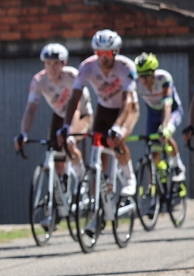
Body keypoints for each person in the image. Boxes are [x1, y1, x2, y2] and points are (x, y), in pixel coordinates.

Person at [58, 29, 139, 233]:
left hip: (126, 109)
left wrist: (119, 127)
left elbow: (128, 100)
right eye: (99, 53)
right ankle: (97, 210)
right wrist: (67, 127)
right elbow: (74, 98)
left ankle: (129, 178)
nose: (103, 58)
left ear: (115, 52)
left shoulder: (125, 66)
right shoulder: (87, 67)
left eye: (108, 54)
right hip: (104, 109)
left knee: (116, 140)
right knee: (97, 156)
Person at [14, 43, 93, 184]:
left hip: (81, 114)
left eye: (56, 63)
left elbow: (76, 106)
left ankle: (83, 179)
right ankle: (61, 186)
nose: (52, 68)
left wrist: (69, 132)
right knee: (54, 151)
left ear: (64, 63)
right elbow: (31, 109)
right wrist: (23, 133)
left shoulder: (72, 76)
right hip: (60, 115)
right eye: (48, 63)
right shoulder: (39, 80)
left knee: (68, 145)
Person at [133, 52, 186, 181]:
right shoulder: (135, 83)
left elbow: (167, 105)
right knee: (153, 148)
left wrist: (164, 126)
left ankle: (177, 165)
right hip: (153, 113)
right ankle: (157, 180)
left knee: (165, 134)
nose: (143, 80)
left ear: (154, 73)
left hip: (172, 111)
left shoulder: (164, 78)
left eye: (147, 75)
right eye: (141, 76)